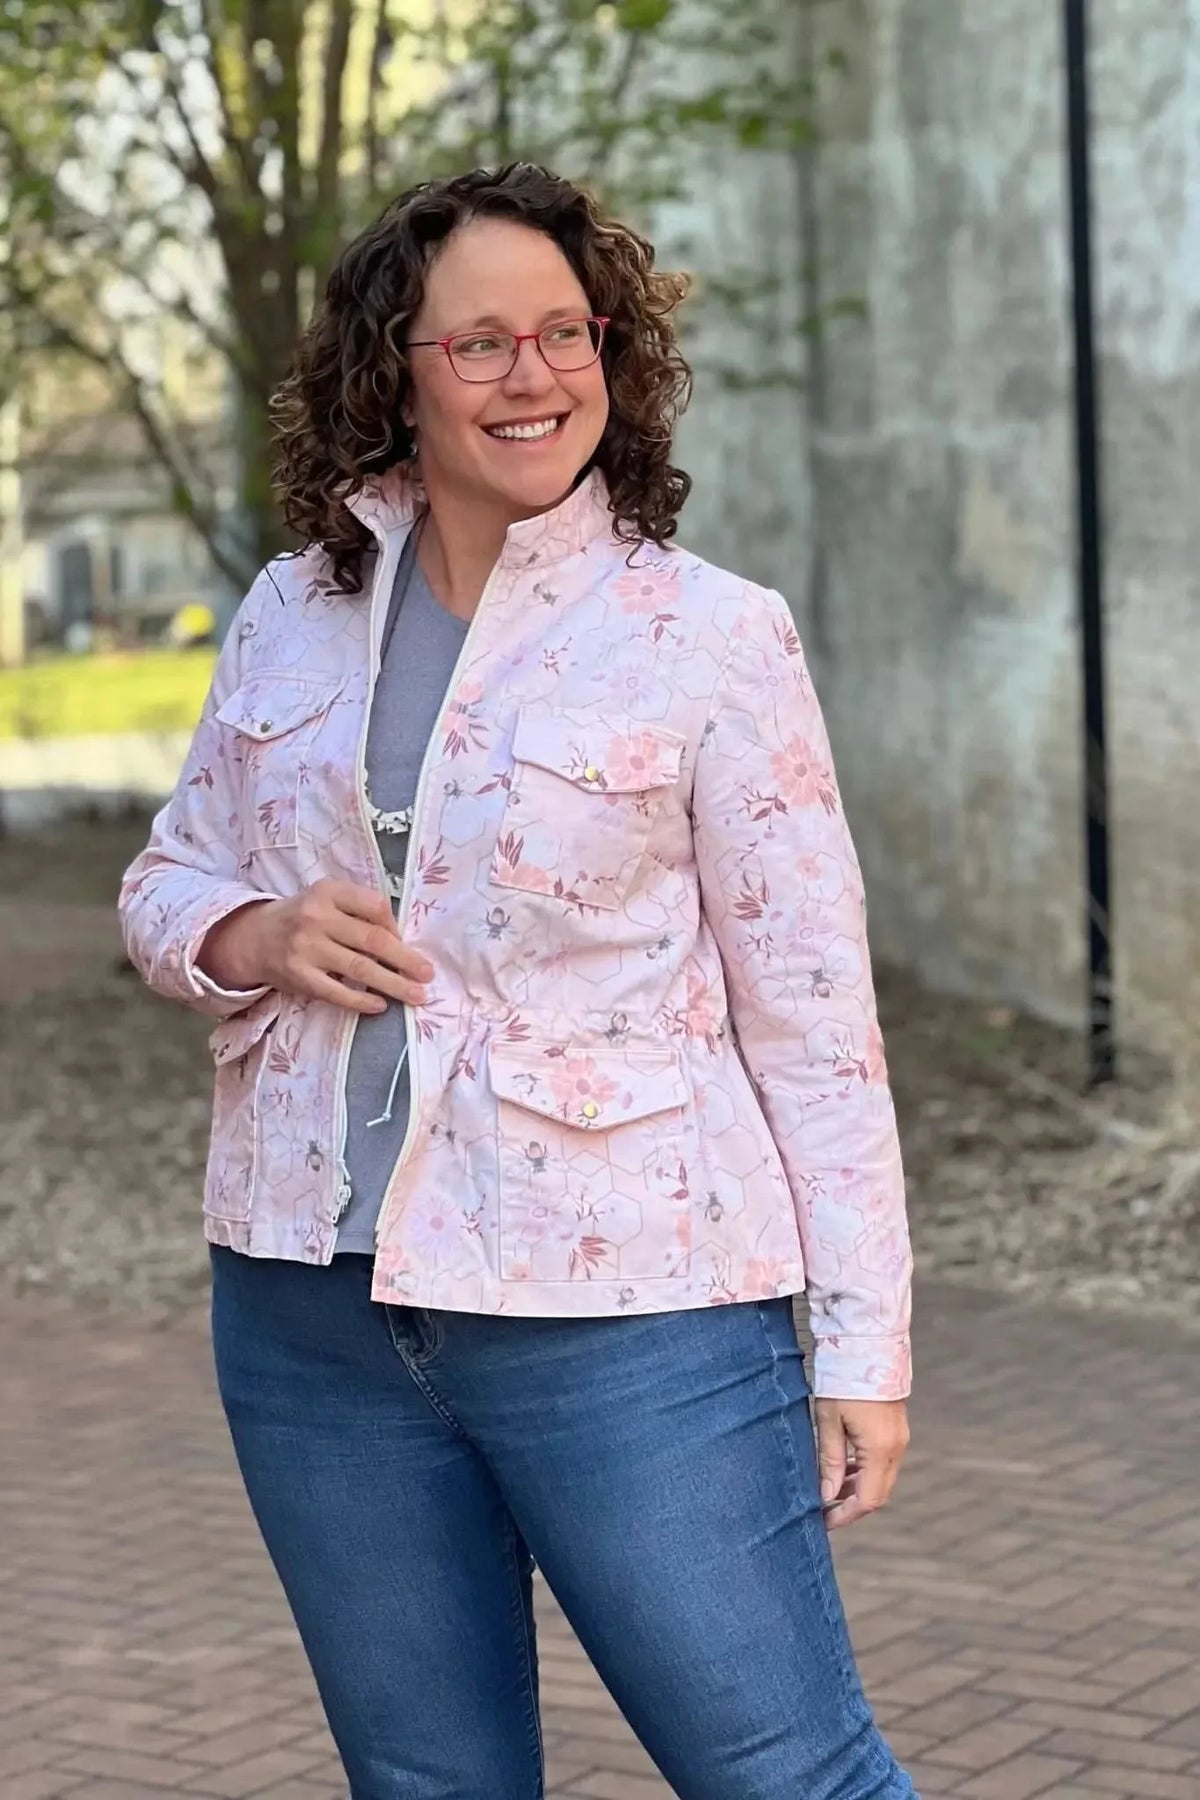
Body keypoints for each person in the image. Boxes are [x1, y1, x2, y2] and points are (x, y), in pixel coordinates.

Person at [120, 163, 916, 1800]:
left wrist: (862, 1345)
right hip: (307, 1309)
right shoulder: (289, 612)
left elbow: (817, 1018)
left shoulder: (712, 637)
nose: (535, 375)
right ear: (392, 371)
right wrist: (249, 938)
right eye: (478, 343)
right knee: (427, 1783)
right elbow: (165, 880)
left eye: (569, 332)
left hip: (632, 1311)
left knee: (784, 1774)